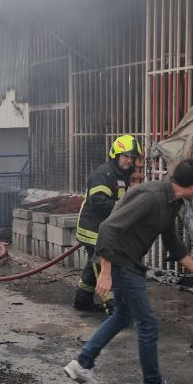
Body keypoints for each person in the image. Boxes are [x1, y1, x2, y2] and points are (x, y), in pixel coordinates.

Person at [63, 158, 193, 384]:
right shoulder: (152, 196)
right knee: (148, 323)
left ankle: (83, 362)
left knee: (123, 316)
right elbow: (108, 227)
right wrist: (105, 271)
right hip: (120, 261)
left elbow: (174, 244)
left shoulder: (170, 201)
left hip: (129, 261)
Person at [72, 134, 141, 313]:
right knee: (105, 267)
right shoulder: (104, 174)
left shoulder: (121, 175)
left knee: (93, 266)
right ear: (116, 155)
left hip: (104, 230)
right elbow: (97, 201)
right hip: (93, 230)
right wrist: (124, 210)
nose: (129, 160)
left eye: (132, 157)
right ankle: (115, 309)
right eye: (126, 156)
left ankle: (82, 301)